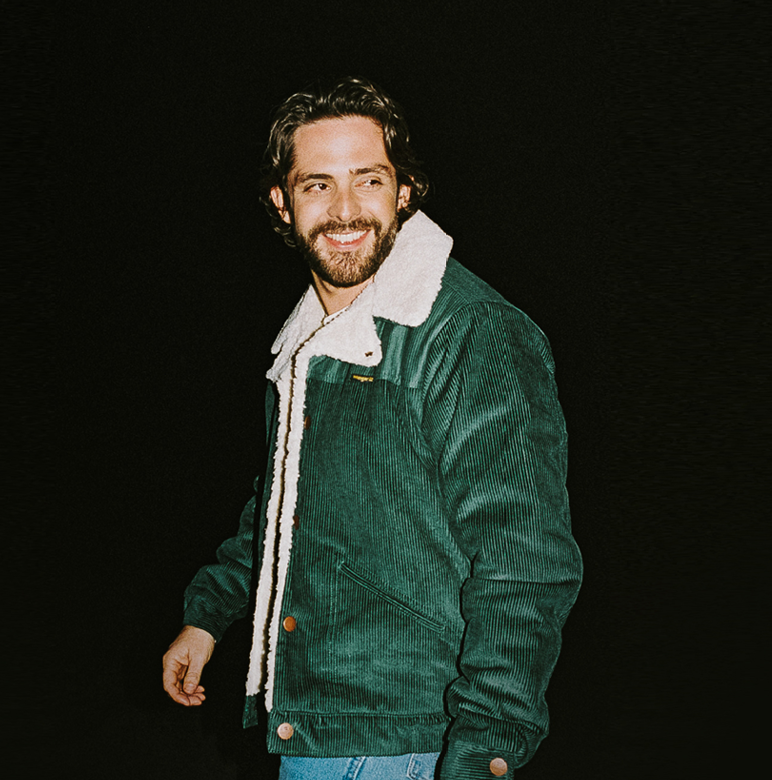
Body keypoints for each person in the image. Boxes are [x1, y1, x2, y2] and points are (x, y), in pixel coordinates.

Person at [162, 77, 582, 780]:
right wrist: (209, 615)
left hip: (410, 740)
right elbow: (283, 506)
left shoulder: (469, 334)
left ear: (406, 191)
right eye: (317, 185)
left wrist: (485, 755)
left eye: (369, 180)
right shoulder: (309, 342)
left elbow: (524, 565)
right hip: (311, 721)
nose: (345, 210)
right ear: (281, 202)